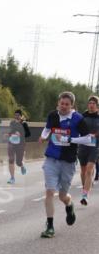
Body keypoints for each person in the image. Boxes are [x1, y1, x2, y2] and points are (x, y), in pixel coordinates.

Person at [39, 92, 93, 238]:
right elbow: (47, 129)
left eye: (67, 104)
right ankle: (50, 226)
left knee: (63, 195)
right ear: (58, 103)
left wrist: (71, 139)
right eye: (61, 103)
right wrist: (43, 136)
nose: (63, 106)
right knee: (49, 191)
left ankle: (69, 205)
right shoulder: (53, 115)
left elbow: (89, 140)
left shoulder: (78, 119)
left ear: (72, 106)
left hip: (68, 161)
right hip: (51, 158)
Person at [79, 96, 99, 205]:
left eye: (93, 103)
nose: (91, 105)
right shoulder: (82, 116)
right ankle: (85, 188)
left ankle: (85, 195)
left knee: (89, 170)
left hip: (95, 147)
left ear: (97, 105)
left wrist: (95, 135)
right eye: (90, 103)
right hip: (83, 146)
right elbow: (76, 129)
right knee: (83, 171)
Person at [6, 109, 31, 183]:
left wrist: (21, 134)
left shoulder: (24, 124)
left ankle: (22, 165)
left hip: (20, 144)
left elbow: (28, 134)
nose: (16, 117)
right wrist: (8, 134)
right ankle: (12, 178)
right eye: (15, 115)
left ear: (21, 116)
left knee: (18, 162)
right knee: (11, 159)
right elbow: (12, 131)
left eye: (18, 115)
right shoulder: (12, 123)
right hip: (11, 143)